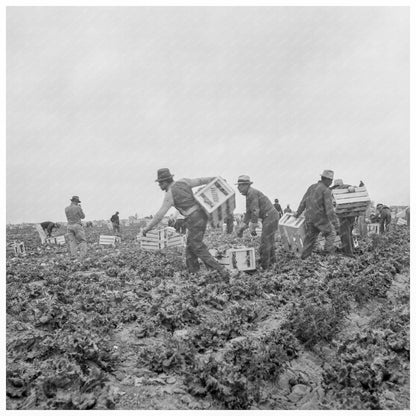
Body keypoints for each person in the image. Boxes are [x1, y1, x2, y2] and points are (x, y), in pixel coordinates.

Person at [142, 168, 228, 277]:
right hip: (201, 214)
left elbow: (159, 215)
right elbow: (201, 180)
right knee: (190, 246)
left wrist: (147, 228)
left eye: (160, 183)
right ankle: (193, 273)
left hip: (194, 218)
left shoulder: (170, 194)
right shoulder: (184, 181)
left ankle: (220, 270)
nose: (159, 186)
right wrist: (217, 179)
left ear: (164, 182)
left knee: (196, 245)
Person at [235, 175, 279, 270]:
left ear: (246, 185)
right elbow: (248, 213)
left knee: (265, 241)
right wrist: (242, 227)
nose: (238, 188)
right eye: (238, 186)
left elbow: (255, 210)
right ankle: (272, 263)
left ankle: (265, 267)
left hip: (270, 216)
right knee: (269, 241)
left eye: (240, 186)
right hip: (270, 216)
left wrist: (253, 226)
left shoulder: (252, 193)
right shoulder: (248, 195)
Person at [294, 170, 339, 260]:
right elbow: (329, 210)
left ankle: (304, 257)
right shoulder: (326, 190)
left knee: (310, 239)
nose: (331, 183)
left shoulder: (311, 187)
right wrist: (336, 224)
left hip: (309, 218)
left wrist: (298, 213)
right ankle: (327, 254)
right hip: (320, 219)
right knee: (331, 233)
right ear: (327, 180)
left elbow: (303, 202)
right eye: (330, 180)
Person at [330, 179, 356, 257]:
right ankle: (352, 249)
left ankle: (348, 253)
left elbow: (352, 187)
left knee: (344, 234)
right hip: (352, 214)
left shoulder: (341, 188)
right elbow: (354, 188)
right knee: (349, 233)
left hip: (344, 215)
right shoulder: (346, 189)